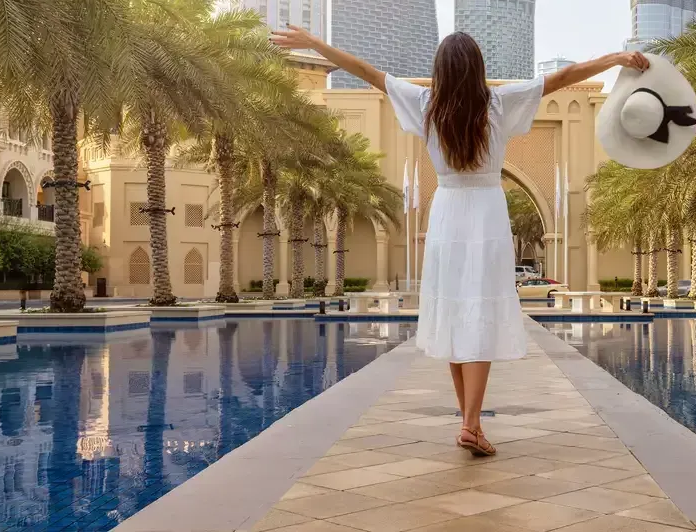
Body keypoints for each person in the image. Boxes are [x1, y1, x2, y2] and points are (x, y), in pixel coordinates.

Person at [270, 25, 647, 456]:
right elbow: (565, 77)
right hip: (486, 211)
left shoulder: (426, 105)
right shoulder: (500, 104)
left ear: (441, 72)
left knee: (454, 314)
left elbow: (369, 73)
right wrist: (614, 60)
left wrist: (317, 46)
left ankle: (469, 422)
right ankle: (471, 424)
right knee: (480, 316)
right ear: (477, 69)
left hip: (447, 214)